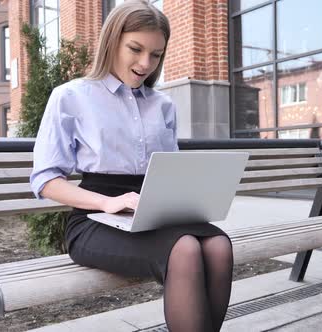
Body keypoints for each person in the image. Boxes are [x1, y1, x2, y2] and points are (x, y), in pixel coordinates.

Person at [29, 1, 233, 331]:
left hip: (152, 215)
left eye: (155, 55)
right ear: (112, 41)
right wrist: (108, 203)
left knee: (219, 245)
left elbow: (172, 170)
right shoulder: (71, 97)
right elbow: (46, 181)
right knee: (185, 250)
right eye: (135, 49)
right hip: (95, 219)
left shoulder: (163, 105)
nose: (145, 64)